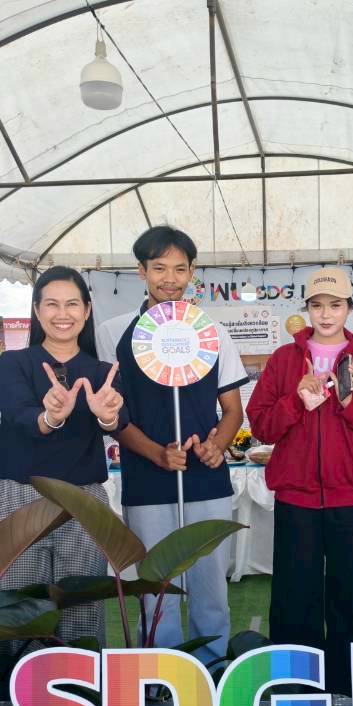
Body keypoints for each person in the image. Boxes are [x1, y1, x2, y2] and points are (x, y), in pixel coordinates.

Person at [95, 226, 246, 662]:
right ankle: (160, 676)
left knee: (210, 584)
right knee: (155, 588)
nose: (170, 279)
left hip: (206, 479)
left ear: (192, 272)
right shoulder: (114, 332)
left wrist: (217, 444)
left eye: (180, 269)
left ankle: (213, 668)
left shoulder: (213, 332)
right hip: (147, 480)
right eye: (159, 268)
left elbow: (232, 410)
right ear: (141, 271)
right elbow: (114, 416)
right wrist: (157, 454)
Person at [247, 268, 353, 694]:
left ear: (350, 309)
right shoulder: (284, 360)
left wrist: (348, 403)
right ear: (307, 309)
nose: (326, 314)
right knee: (294, 599)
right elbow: (261, 425)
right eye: (317, 305)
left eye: (335, 305)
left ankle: (350, 691)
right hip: (298, 500)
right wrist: (296, 401)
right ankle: (296, 690)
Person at [0, 266, 125, 643]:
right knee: (15, 614)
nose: (63, 314)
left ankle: (80, 679)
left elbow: (120, 419)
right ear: (36, 309)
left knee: (81, 612)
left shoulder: (103, 373)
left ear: (87, 310)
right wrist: (50, 416)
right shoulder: (14, 363)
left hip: (82, 500)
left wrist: (107, 416)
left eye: (72, 304)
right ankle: (11, 681)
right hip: (17, 496)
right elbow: (19, 413)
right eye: (52, 304)